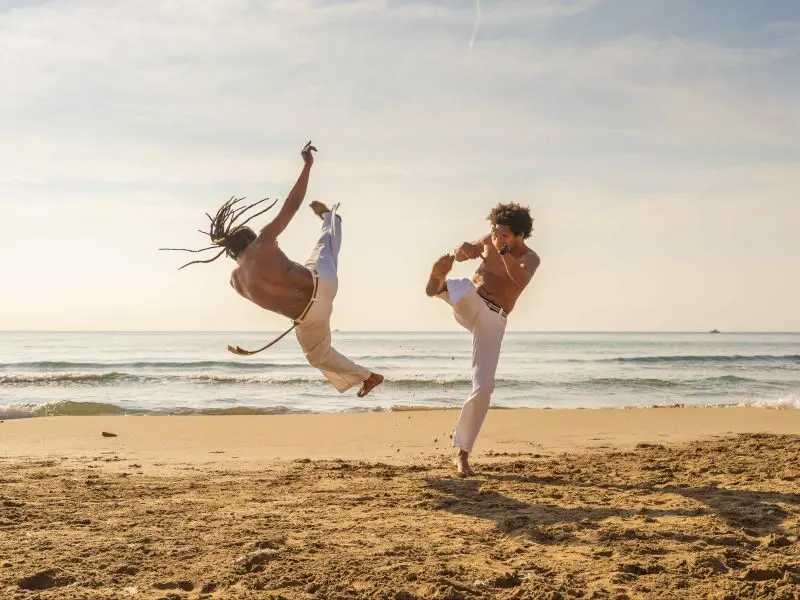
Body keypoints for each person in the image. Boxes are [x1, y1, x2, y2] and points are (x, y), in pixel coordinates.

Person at [161, 141, 384, 398]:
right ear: (250, 239)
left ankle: (368, 376)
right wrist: (308, 165)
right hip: (322, 282)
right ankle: (331, 219)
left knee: (317, 356)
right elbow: (292, 205)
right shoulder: (263, 242)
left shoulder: (235, 282)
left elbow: (272, 300)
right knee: (324, 246)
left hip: (310, 315)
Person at [425, 203, 540, 476]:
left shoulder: (530, 258)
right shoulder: (490, 240)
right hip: (472, 301)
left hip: (494, 319)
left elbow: (519, 279)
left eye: (504, 234)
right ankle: (439, 284)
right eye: (494, 231)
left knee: (484, 388)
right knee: (464, 286)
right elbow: (463, 253)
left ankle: (462, 453)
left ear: (519, 236)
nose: (496, 236)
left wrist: (501, 250)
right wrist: (462, 250)